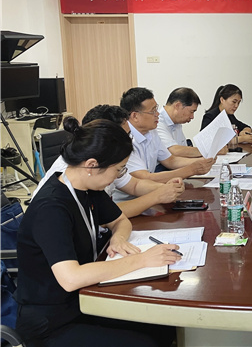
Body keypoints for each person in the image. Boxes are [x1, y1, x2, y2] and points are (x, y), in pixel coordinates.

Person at [16, 117, 179, 347]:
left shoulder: (88, 188)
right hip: (51, 321)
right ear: (92, 165)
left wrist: (118, 239)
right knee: (144, 343)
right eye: (118, 169)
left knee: (164, 325)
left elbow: (121, 220)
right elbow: (71, 278)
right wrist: (142, 260)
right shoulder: (51, 208)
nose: (119, 176)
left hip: (86, 299)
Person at [33, 105, 185, 218]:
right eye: (125, 135)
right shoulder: (77, 173)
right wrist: (156, 196)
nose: (129, 141)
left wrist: (166, 189)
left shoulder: (105, 161)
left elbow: (134, 185)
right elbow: (106, 215)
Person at [115, 88, 215, 194]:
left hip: (151, 192)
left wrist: (203, 162)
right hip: (129, 199)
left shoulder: (151, 132)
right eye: (153, 111)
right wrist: (192, 169)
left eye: (156, 109)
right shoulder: (124, 140)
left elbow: (171, 160)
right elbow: (145, 177)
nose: (157, 114)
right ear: (135, 116)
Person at [156, 87, 203, 158]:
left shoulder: (176, 122)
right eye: (191, 111)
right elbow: (174, 151)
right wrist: (207, 151)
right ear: (178, 106)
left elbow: (184, 149)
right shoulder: (157, 122)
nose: (192, 117)